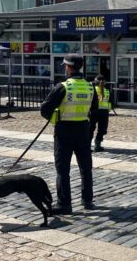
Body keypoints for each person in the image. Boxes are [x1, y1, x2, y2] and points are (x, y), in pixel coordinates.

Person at [40, 54, 98, 214]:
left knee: (63, 169)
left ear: (68, 67)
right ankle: (87, 200)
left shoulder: (63, 86)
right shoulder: (90, 86)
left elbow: (44, 109)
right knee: (86, 168)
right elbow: (94, 110)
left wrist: (55, 119)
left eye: (65, 65)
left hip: (64, 131)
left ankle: (64, 204)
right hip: (83, 131)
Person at [90, 74, 112, 152]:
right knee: (102, 129)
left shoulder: (92, 89)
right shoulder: (107, 90)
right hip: (104, 112)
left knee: (91, 128)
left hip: (94, 111)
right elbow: (109, 102)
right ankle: (97, 144)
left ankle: (88, 145)